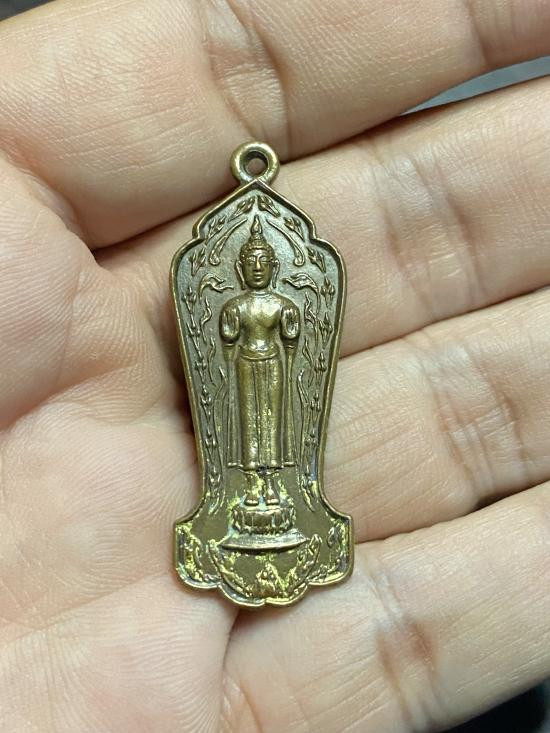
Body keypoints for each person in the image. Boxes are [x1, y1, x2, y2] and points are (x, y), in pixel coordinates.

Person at [1, 1, 549, 731]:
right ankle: (252, 499)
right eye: (253, 265)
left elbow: (297, 333)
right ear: (245, 267)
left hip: (274, 375)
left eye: (263, 265)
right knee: (249, 443)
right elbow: (219, 339)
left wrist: (287, 327)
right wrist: (250, 335)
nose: (258, 268)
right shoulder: (235, 302)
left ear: (269, 267)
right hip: (245, 375)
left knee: (277, 440)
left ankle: (274, 499)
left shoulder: (276, 299)